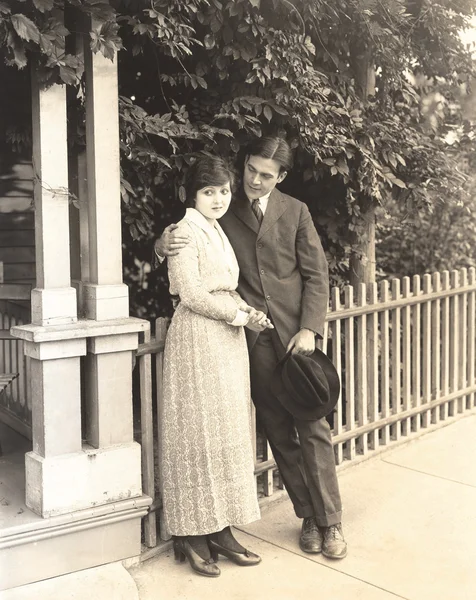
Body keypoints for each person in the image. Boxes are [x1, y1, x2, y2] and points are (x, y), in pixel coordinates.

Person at [156, 137, 347, 560]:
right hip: (252, 341)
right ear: (243, 164)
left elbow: (317, 275)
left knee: (313, 426)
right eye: (251, 170)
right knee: (278, 428)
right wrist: (161, 241)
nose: (255, 181)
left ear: (281, 177)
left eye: (266, 175)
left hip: (297, 339)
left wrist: (310, 330)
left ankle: (331, 521)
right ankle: (308, 517)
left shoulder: (296, 211)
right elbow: (188, 232)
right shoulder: (223, 204)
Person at [159, 154, 272, 579]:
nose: (219, 198)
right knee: (196, 433)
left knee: (226, 431)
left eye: (224, 190)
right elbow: (190, 292)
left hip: (225, 340)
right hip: (198, 340)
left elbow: (225, 286)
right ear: (193, 195)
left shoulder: (217, 229)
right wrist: (236, 315)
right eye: (209, 191)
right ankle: (192, 534)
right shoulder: (185, 232)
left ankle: (221, 528)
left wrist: (247, 309)